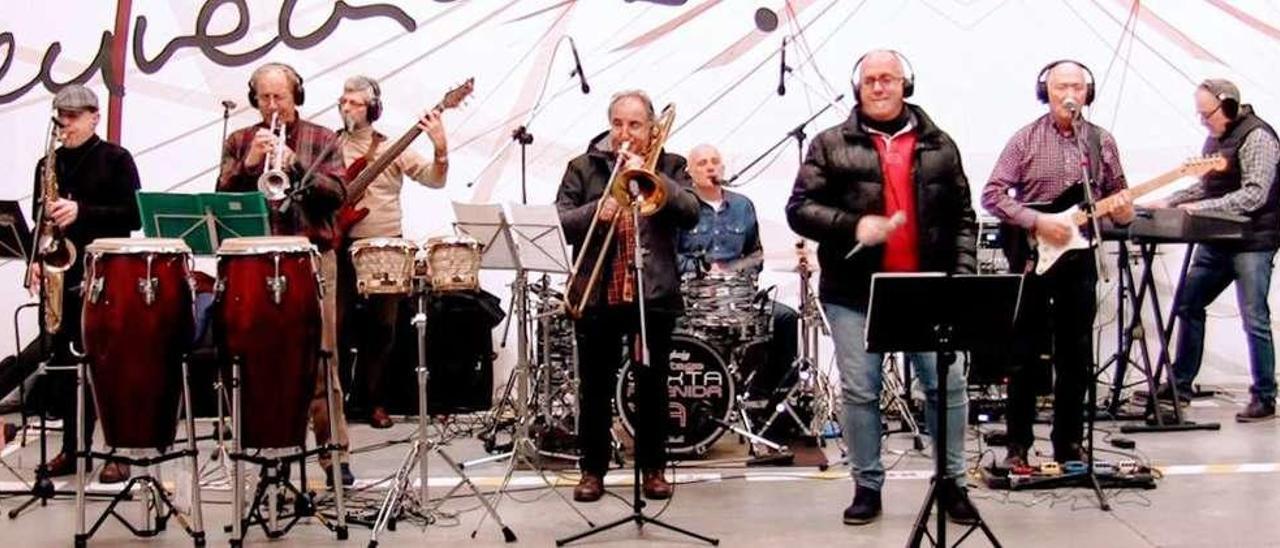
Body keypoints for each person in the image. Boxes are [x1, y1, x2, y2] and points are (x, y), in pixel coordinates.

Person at [785, 50, 979, 525]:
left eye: (887, 79)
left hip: (929, 288)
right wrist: (853, 226)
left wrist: (963, 277)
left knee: (947, 388)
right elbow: (799, 208)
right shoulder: (830, 144)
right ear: (858, 87)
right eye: (869, 80)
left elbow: (963, 218)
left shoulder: (940, 145)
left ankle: (951, 482)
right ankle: (867, 486)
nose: (878, 87)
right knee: (860, 392)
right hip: (855, 292)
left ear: (905, 83)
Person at [981, 60, 1134, 467]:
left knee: (1076, 354)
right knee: (1024, 354)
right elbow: (992, 195)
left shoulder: (1100, 143)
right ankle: (1018, 445)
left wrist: (1122, 211)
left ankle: (1069, 442)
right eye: (1061, 86)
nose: (1070, 94)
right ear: (1045, 92)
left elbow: (1119, 197)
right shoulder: (1025, 140)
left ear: (1088, 93)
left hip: (1080, 258)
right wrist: (1038, 222)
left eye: (1077, 87)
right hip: (1034, 257)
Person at [555, 90, 699, 503]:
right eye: (618, 124)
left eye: (634, 125)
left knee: (652, 387)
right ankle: (592, 472)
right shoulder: (582, 168)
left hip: (650, 295)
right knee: (594, 389)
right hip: (597, 293)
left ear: (651, 128)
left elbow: (690, 213)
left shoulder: (671, 165)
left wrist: (657, 180)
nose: (624, 133)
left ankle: (653, 469)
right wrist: (593, 211)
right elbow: (560, 221)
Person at [217, 62, 354, 487]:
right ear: (254, 98)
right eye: (264, 98)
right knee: (262, 361)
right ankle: (272, 451)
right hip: (256, 262)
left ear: (297, 96)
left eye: (281, 97)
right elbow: (221, 198)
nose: (273, 106)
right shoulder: (240, 140)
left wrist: (293, 165)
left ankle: (335, 454)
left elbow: (337, 195)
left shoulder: (323, 138)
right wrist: (249, 164)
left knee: (321, 359)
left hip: (311, 258)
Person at [29, 85, 141, 484]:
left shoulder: (115, 159)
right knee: (64, 367)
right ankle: (73, 449)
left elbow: (133, 214)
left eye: (74, 116)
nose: (66, 124)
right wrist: (36, 261)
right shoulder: (49, 164)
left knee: (109, 368)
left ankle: (120, 452)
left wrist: (83, 211)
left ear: (95, 116)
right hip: (64, 276)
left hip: (106, 273)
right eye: (62, 116)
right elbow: (40, 221)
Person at [1156, 79, 1279, 422]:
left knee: (1254, 317)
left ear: (1226, 107)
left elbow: (1254, 196)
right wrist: (1171, 201)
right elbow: (1207, 182)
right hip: (1218, 239)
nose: (1202, 121)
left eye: (1206, 113)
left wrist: (1203, 208)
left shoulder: (1258, 138)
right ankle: (1180, 383)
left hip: (1252, 241)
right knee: (1188, 303)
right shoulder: (1218, 137)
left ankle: (1265, 396)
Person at [334, 75, 448, 428]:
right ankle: (336, 400)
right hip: (338, 244)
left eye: (354, 102)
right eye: (344, 101)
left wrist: (440, 148)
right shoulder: (328, 145)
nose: (346, 107)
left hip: (384, 245)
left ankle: (375, 402)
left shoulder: (392, 147)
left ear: (373, 109)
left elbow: (434, 178)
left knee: (382, 328)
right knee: (335, 326)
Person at [676, 144, 799, 407]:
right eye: (702, 163)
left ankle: (764, 398)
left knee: (786, 319)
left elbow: (756, 254)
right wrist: (701, 269)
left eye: (715, 161)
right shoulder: (681, 207)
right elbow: (667, 257)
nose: (710, 167)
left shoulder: (743, 206)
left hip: (739, 299)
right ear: (689, 172)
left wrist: (740, 274)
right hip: (694, 301)